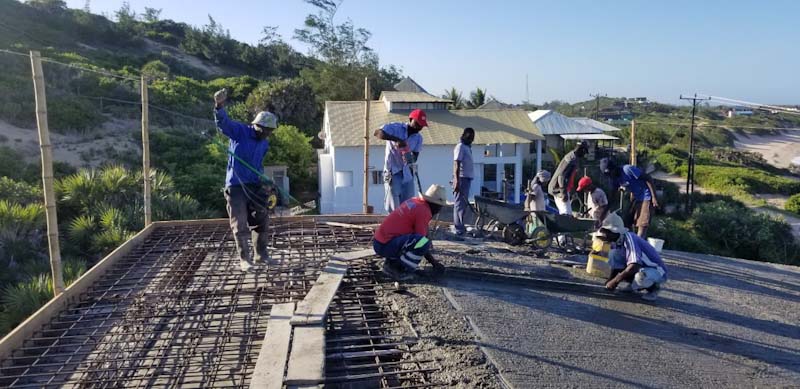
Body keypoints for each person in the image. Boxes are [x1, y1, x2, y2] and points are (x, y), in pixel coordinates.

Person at [213, 88, 278, 272]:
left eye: (269, 132)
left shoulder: (264, 143)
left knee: (262, 218)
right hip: (236, 186)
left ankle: (261, 255)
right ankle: (245, 260)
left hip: (254, 184)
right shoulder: (240, 131)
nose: (266, 134)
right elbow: (223, 123)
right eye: (264, 130)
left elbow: (258, 164)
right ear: (256, 126)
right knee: (240, 222)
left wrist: (265, 180)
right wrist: (219, 105)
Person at [373, 184, 447, 280]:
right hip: (385, 245)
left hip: (381, 242)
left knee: (415, 241)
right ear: (435, 205)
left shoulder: (415, 201)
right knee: (423, 243)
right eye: (440, 207)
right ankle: (399, 269)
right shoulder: (424, 211)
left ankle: (392, 262)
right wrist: (434, 263)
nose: (440, 210)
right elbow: (421, 241)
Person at [595, 213, 668, 301]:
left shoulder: (630, 239)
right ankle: (634, 285)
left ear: (614, 232)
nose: (604, 236)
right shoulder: (616, 241)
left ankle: (654, 288)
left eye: (606, 232)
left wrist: (615, 281)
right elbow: (617, 264)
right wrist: (610, 280)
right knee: (613, 254)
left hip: (657, 270)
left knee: (640, 277)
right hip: (642, 267)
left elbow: (634, 266)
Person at [374, 109, 428, 212]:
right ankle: (394, 222)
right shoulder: (396, 128)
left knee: (408, 207)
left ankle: (404, 222)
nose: (419, 127)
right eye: (418, 123)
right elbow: (377, 133)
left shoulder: (418, 138)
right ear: (411, 119)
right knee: (393, 208)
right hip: (393, 172)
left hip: (407, 174)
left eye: (422, 125)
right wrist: (396, 140)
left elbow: (415, 157)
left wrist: (409, 157)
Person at [601, 158, 659, 238]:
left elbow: (648, 178)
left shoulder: (627, 169)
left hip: (646, 196)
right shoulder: (615, 179)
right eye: (608, 175)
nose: (610, 176)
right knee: (627, 222)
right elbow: (612, 198)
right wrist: (602, 217)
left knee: (642, 224)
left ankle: (638, 243)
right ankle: (629, 241)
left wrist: (654, 197)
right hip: (636, 198)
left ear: (614, 168)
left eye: (610, 173)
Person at [548, 142, 588, 215]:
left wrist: (572, 191)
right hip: (558, 189)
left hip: (563, 189)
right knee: (566, 214)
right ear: (582, 150)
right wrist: (563, 193)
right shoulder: (570, 159)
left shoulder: (574, 158)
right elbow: (561, 176)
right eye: (585, 152)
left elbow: (569, 177)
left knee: (568, 213)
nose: (584, 155)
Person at [453, 127, 475, 236]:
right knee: (459, 204)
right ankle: (458, 229)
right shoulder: (460, 146)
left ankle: (461, 226)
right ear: (464, 135)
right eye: (469, 137)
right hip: (461, 178)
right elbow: (456, 163)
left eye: (472, 137)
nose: (471, 139)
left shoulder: (467, 147)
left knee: (463, 204)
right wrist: (456, 180)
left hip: (467, 179)